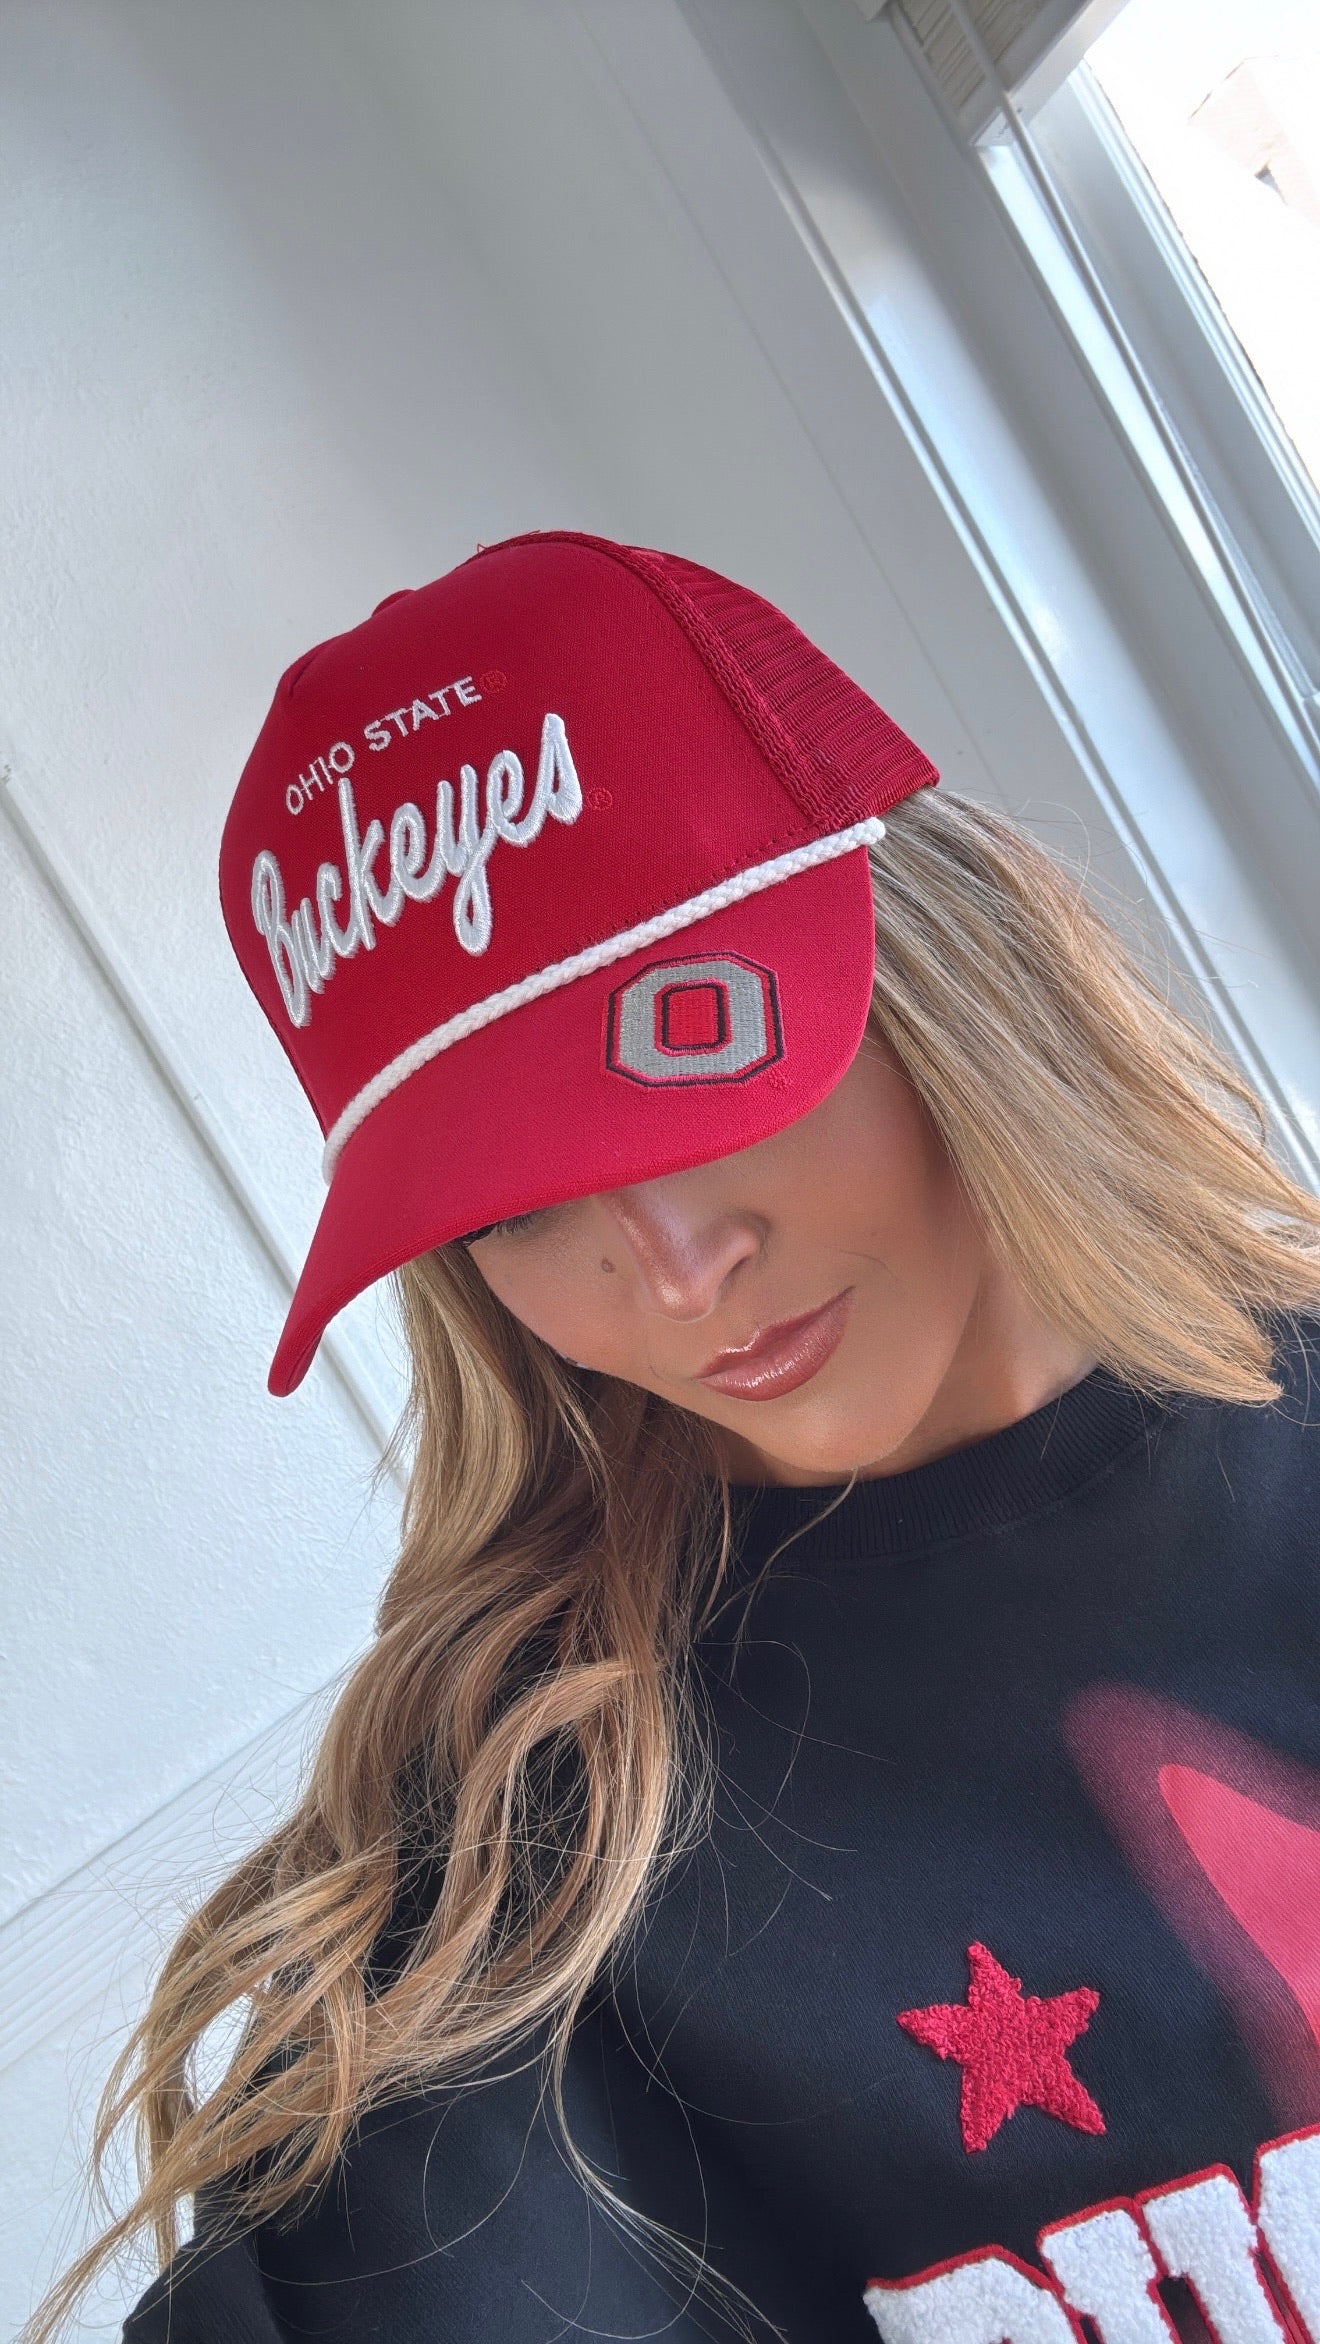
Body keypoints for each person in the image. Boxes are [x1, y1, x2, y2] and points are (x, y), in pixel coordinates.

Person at [31, 530, 1320, 2344]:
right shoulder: (550, 1832)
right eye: (516, 1200)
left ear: (949, 962)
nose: (675, 1265)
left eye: (706, 1055)